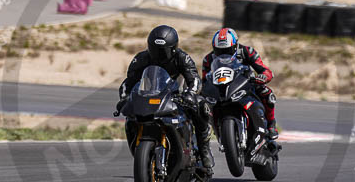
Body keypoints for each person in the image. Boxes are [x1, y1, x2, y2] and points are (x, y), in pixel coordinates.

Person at [118, 24, 214, 173]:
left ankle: (204, 149)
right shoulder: (141, 59)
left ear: (173, 48)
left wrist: (190, 94)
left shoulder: (182, 58)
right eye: (155, 50)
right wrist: (124, 98)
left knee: (201, 105)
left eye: (163, 51)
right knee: (130, 115)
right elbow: (128, 82)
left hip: (177, 96)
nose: (158, 55)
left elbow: (194, 79)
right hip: (150, 96)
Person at [202, 27, 278, 141]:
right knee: (201, 102)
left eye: (227, 50)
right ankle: (206, 129)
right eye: (219, 51)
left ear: (235, 46)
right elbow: (205, 79)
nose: (223, 54)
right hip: (221, 88)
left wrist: (263, 77)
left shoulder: (247, 52)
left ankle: (271, 125)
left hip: (244, 84)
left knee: (266, 93)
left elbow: (265, 70)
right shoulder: (208, 59)